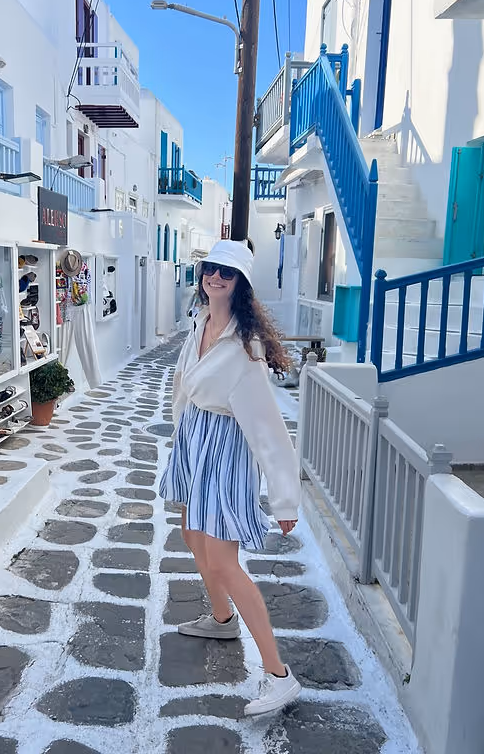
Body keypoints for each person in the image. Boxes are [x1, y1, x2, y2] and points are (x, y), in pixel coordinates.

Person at [159, 238, 302, 716]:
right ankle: (222, 619)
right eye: (211, 269)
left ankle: (279, 675)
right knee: (192, 535)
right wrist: (181, 440)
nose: (216, 277)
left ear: (241, 284)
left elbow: (267, 428)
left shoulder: (245, 347)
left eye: (228, 273)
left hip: (224, 447)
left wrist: (284, 500)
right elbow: (184, 383)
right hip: (195, 438)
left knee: (223, 560)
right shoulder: (200, 323)